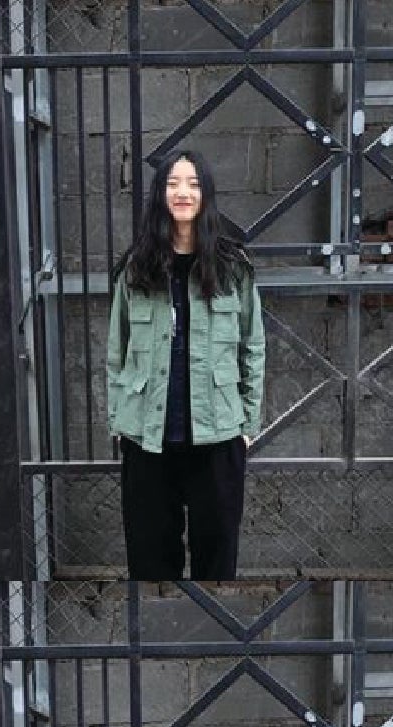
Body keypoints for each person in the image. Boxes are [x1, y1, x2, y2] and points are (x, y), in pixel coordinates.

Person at [107, 149, 265, 581]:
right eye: (173, 183)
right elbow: (116, 353)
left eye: (193, 184)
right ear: (160, 195)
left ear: (206, 196)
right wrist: (119, 421)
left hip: (218, 438)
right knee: (150, 561)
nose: (183, 192)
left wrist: (248, 422)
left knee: (217, 563)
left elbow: (253, 347)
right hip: (147, 438)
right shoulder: (135, 270)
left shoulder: (233, 269)